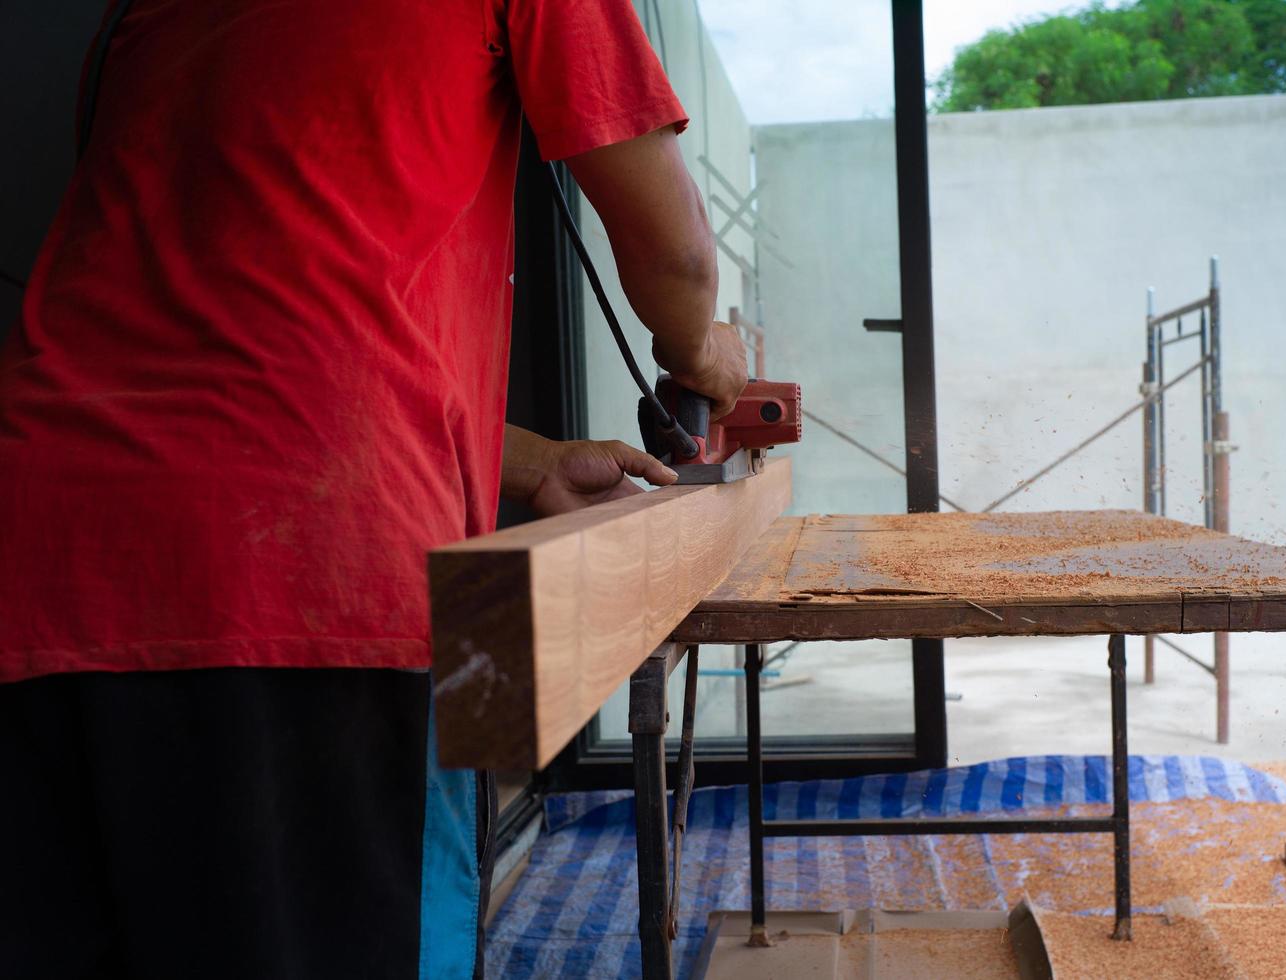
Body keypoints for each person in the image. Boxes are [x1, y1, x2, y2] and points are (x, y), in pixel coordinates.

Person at [0, 1, 747, 977]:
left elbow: (227, 326)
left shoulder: (140, 15)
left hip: (37, 555)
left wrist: (530, 462)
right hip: (307, 585)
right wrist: (710, 354)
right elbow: (678, 258)